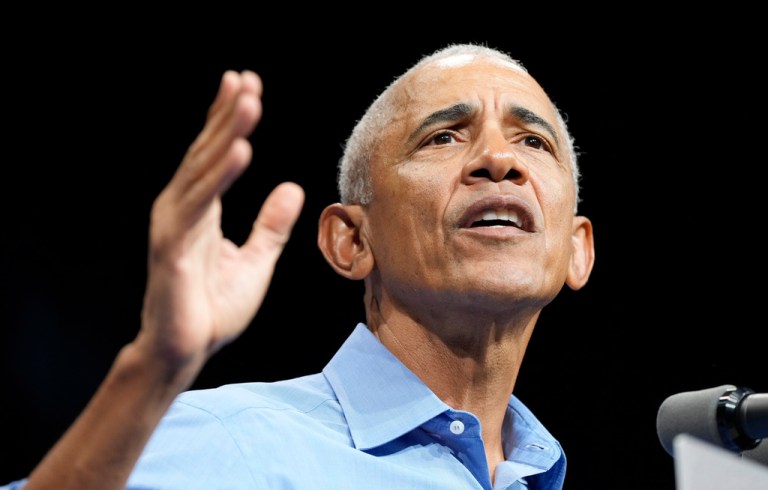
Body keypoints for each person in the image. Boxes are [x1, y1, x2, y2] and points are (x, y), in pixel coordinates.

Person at [2, 42, 595, 490]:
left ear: (576, 248)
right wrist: (155, 365)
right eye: (442, 137)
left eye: (533, 143)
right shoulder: (233, 440)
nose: (497, 159)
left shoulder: (540, 470)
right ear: (350, 241)